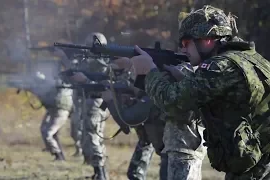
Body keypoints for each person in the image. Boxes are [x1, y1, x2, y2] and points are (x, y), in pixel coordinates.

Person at [114, 5, 270, 179]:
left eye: (186, 42)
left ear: (207, 40)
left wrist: (149, 71)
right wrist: (185, 80)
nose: (182, 49)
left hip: (256, 166)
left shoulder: (218, 66)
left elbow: (172, 102)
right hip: (260, 158)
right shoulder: (250, 58)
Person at [102, 62, 206, 180]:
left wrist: (111, 100)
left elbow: (129, 118)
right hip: (173, 153)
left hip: (176, 154)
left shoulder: (154, 99)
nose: (134, 85)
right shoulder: (156, 97)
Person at [67, 32, 110, 180]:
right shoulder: (89, 61)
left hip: (96, 102)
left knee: (93, 137)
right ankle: (98, 172)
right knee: (90, 137)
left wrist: (85, 80)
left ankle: (101, 174)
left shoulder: (103, 63)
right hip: (89, 101)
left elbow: (104, 86)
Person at [40, 48, 83, 161]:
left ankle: (60, 155)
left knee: (52, 133)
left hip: (64, 108)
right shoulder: (60, 78)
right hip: (56, 108)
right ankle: (58, 154)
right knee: (47, 131)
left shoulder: (71, 76)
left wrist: (63, 56)